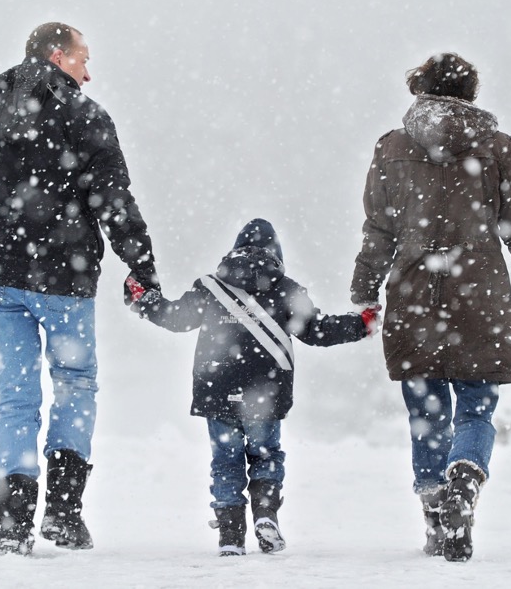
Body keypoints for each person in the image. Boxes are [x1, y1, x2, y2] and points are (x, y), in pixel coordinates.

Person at [0, 22, 160, 556]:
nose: (88, 70)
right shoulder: (84, 115)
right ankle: (62, 510)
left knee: (15, 398)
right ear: (59, 56)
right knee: (75, 382)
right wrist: (141, 266)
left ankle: (13, 525)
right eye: (84, 58)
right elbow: (114, 200)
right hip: (63, 276)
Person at [350, 52, 511, 562]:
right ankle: (465, 475)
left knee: (426, 411)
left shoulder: (392, 148)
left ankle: (435, 509)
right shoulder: (498, 148)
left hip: (414, 292)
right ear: (471, 92)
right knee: (476, 407)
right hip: (479, 292)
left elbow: (380, 229)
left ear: (420, 89)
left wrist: (364, 287)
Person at [127, 219, 377, 557]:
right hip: (264, 390)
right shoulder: (287, 289)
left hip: (216, 388)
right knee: (266, 454)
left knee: (225, 460)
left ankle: (230, 536)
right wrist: (360, 325)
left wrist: (144, 300)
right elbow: (317, 331)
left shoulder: (209, 286)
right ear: (276, 253)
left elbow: (175, 318)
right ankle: (265, 514)